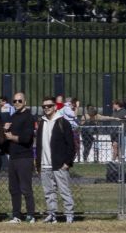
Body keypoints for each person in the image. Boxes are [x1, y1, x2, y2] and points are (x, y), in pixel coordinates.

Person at [40, 96, 77, 224]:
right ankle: (52, 214)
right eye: (44, 106)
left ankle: (69, 215)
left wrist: (67, 162)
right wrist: (37, 161)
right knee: (49, 192)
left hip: (59, 164)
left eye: (49, 106)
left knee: (64, 191)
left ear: (55, 107)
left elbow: (71, 145)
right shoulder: (42, 122)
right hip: (44, 164)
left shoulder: (63, 122)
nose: (46, 108)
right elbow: (39, 144)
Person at [7, 92, 38, 223]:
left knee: (25, 187)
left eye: (20, 101)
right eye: (14, 101)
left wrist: (11, 137)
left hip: (24, 157)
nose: (17, 103)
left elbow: (26, 138)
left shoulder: (29, 117)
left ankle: (31, 214)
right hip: (13, 156)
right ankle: (16, 215)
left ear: (25, 102)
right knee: (14, 188)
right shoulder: (13, 116)